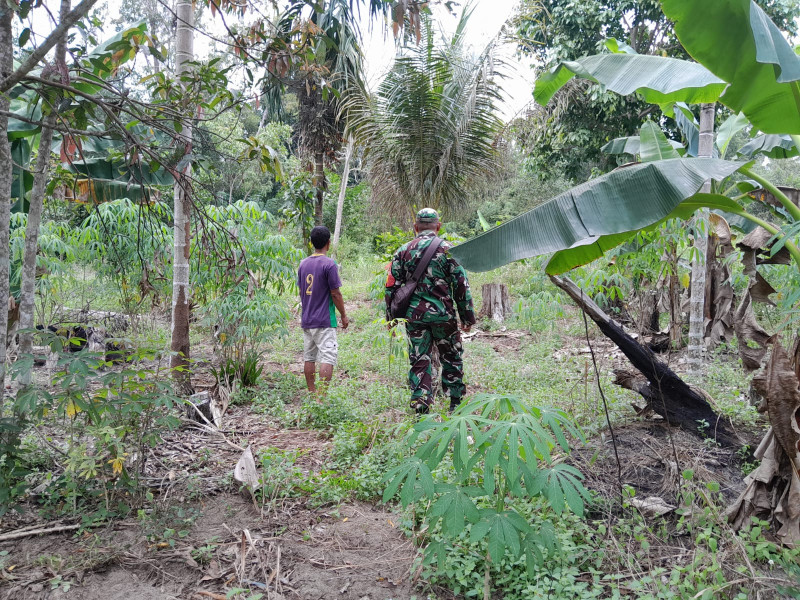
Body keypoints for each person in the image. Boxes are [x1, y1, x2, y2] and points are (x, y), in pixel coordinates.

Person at [385, 208, 476, 414]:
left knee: (419, 359)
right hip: (444, 316)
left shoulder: (403, 251)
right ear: (438, 226)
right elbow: (461, 285)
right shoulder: (449, 250)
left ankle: (421, 406)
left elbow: (391, 285)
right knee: (451, 357)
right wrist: (467, 316)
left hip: (415, 318)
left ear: (415, 227)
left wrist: (391, 317)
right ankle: (455, 404)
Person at [298, 226, 349, 395]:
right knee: (328, 356)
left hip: (307, 319)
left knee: (309, 357)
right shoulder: (329, 264)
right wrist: (343, 315)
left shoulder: (303, 264)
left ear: (312, 243)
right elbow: (335, 293)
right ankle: (321, 397)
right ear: (328, 243)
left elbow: (302, 291)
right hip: (325, 320)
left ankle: (313, 394)